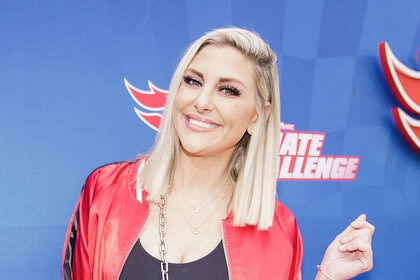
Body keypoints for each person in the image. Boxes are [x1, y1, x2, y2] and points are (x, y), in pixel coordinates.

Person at [62, 27, 375, 280]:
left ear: (258, 116)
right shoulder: (106, 189)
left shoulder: (280, 229)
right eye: (193, 81)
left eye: (228, 90)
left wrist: (329, 278)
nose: (202, 101)